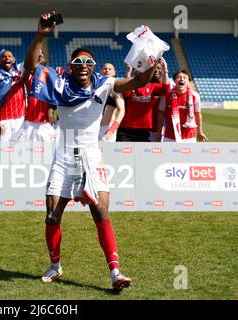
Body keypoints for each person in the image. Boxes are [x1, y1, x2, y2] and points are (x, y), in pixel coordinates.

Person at [24, 12, 159, 291]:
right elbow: (29, 68)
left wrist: (151, 62)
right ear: (71, 67)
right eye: (78, 62)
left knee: (100, 211)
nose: (83, 65)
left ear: (93, 67)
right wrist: (41, 35)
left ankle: (115, 272)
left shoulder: (104, 83)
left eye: (88, 62)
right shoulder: (58, 83)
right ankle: (55, 265)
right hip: (63, 155)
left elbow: (137, 83)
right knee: (52, 214)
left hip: (90, 155)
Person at [116, 61, 170, 142]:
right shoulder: (130, 84)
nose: (140, 71)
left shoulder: (153, 86)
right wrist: (128, 73)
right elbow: (126, 93)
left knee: (142, 154)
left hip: (143, 129)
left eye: (142, 69)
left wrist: (165, 70)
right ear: (134, 70)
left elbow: (165, 90)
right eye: (137, 69)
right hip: (125, 128)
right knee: (123, 154)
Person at [16, 51, 56, 142]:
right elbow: (25, 73)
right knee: (26, 152)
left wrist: (51, 109)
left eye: (41, 56)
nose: (39, 58)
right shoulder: (28, 75)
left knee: (48, 152)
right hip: (28, 121)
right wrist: (32, 60)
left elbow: (55, 96)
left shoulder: (51, 75)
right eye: (37, 57)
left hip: (45, 121)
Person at [0, 49, 26, 141]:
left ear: (14, 60)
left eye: (9, 56)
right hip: (3, 121)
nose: (7, 58)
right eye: (4, 57)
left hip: (20, 120)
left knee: (21, 152)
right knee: (3, 153)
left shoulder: (20, 74)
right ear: (0, 61)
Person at [160, 70, 207, 143]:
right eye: (179, 77)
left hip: (189, 136)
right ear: (174, 80)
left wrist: (200, 132)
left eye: (184, 78)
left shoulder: (195, 96)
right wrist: (159, 133)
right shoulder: (167, 96)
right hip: (170, 136)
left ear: (188, 81)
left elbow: (197, 114)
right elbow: (161, 114)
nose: (181, 79)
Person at [99, 62, 125, 142]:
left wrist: (112, 129)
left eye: (110, 69)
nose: (107, 70)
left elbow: (122, 110)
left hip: (106, 130)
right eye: (105, 68)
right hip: (92, 129)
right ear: (100, 72)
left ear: (114, 73)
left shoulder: (116, 90)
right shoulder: (95, 88)